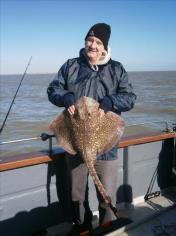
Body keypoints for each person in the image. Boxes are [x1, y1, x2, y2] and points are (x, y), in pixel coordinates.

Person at [47, 23, 136, 231]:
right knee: (77, 195)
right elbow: (53, 89)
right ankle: (82, 227)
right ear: (85, 41)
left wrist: (111, 102)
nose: (93, 45)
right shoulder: (71, 66)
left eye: (98, 42)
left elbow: (130, 98)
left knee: (106, 193)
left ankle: (107, 226)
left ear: (105, 46)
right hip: (76, 144)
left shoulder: (116, 69)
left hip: (105, 146)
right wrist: (65, 97)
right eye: (90, 40)